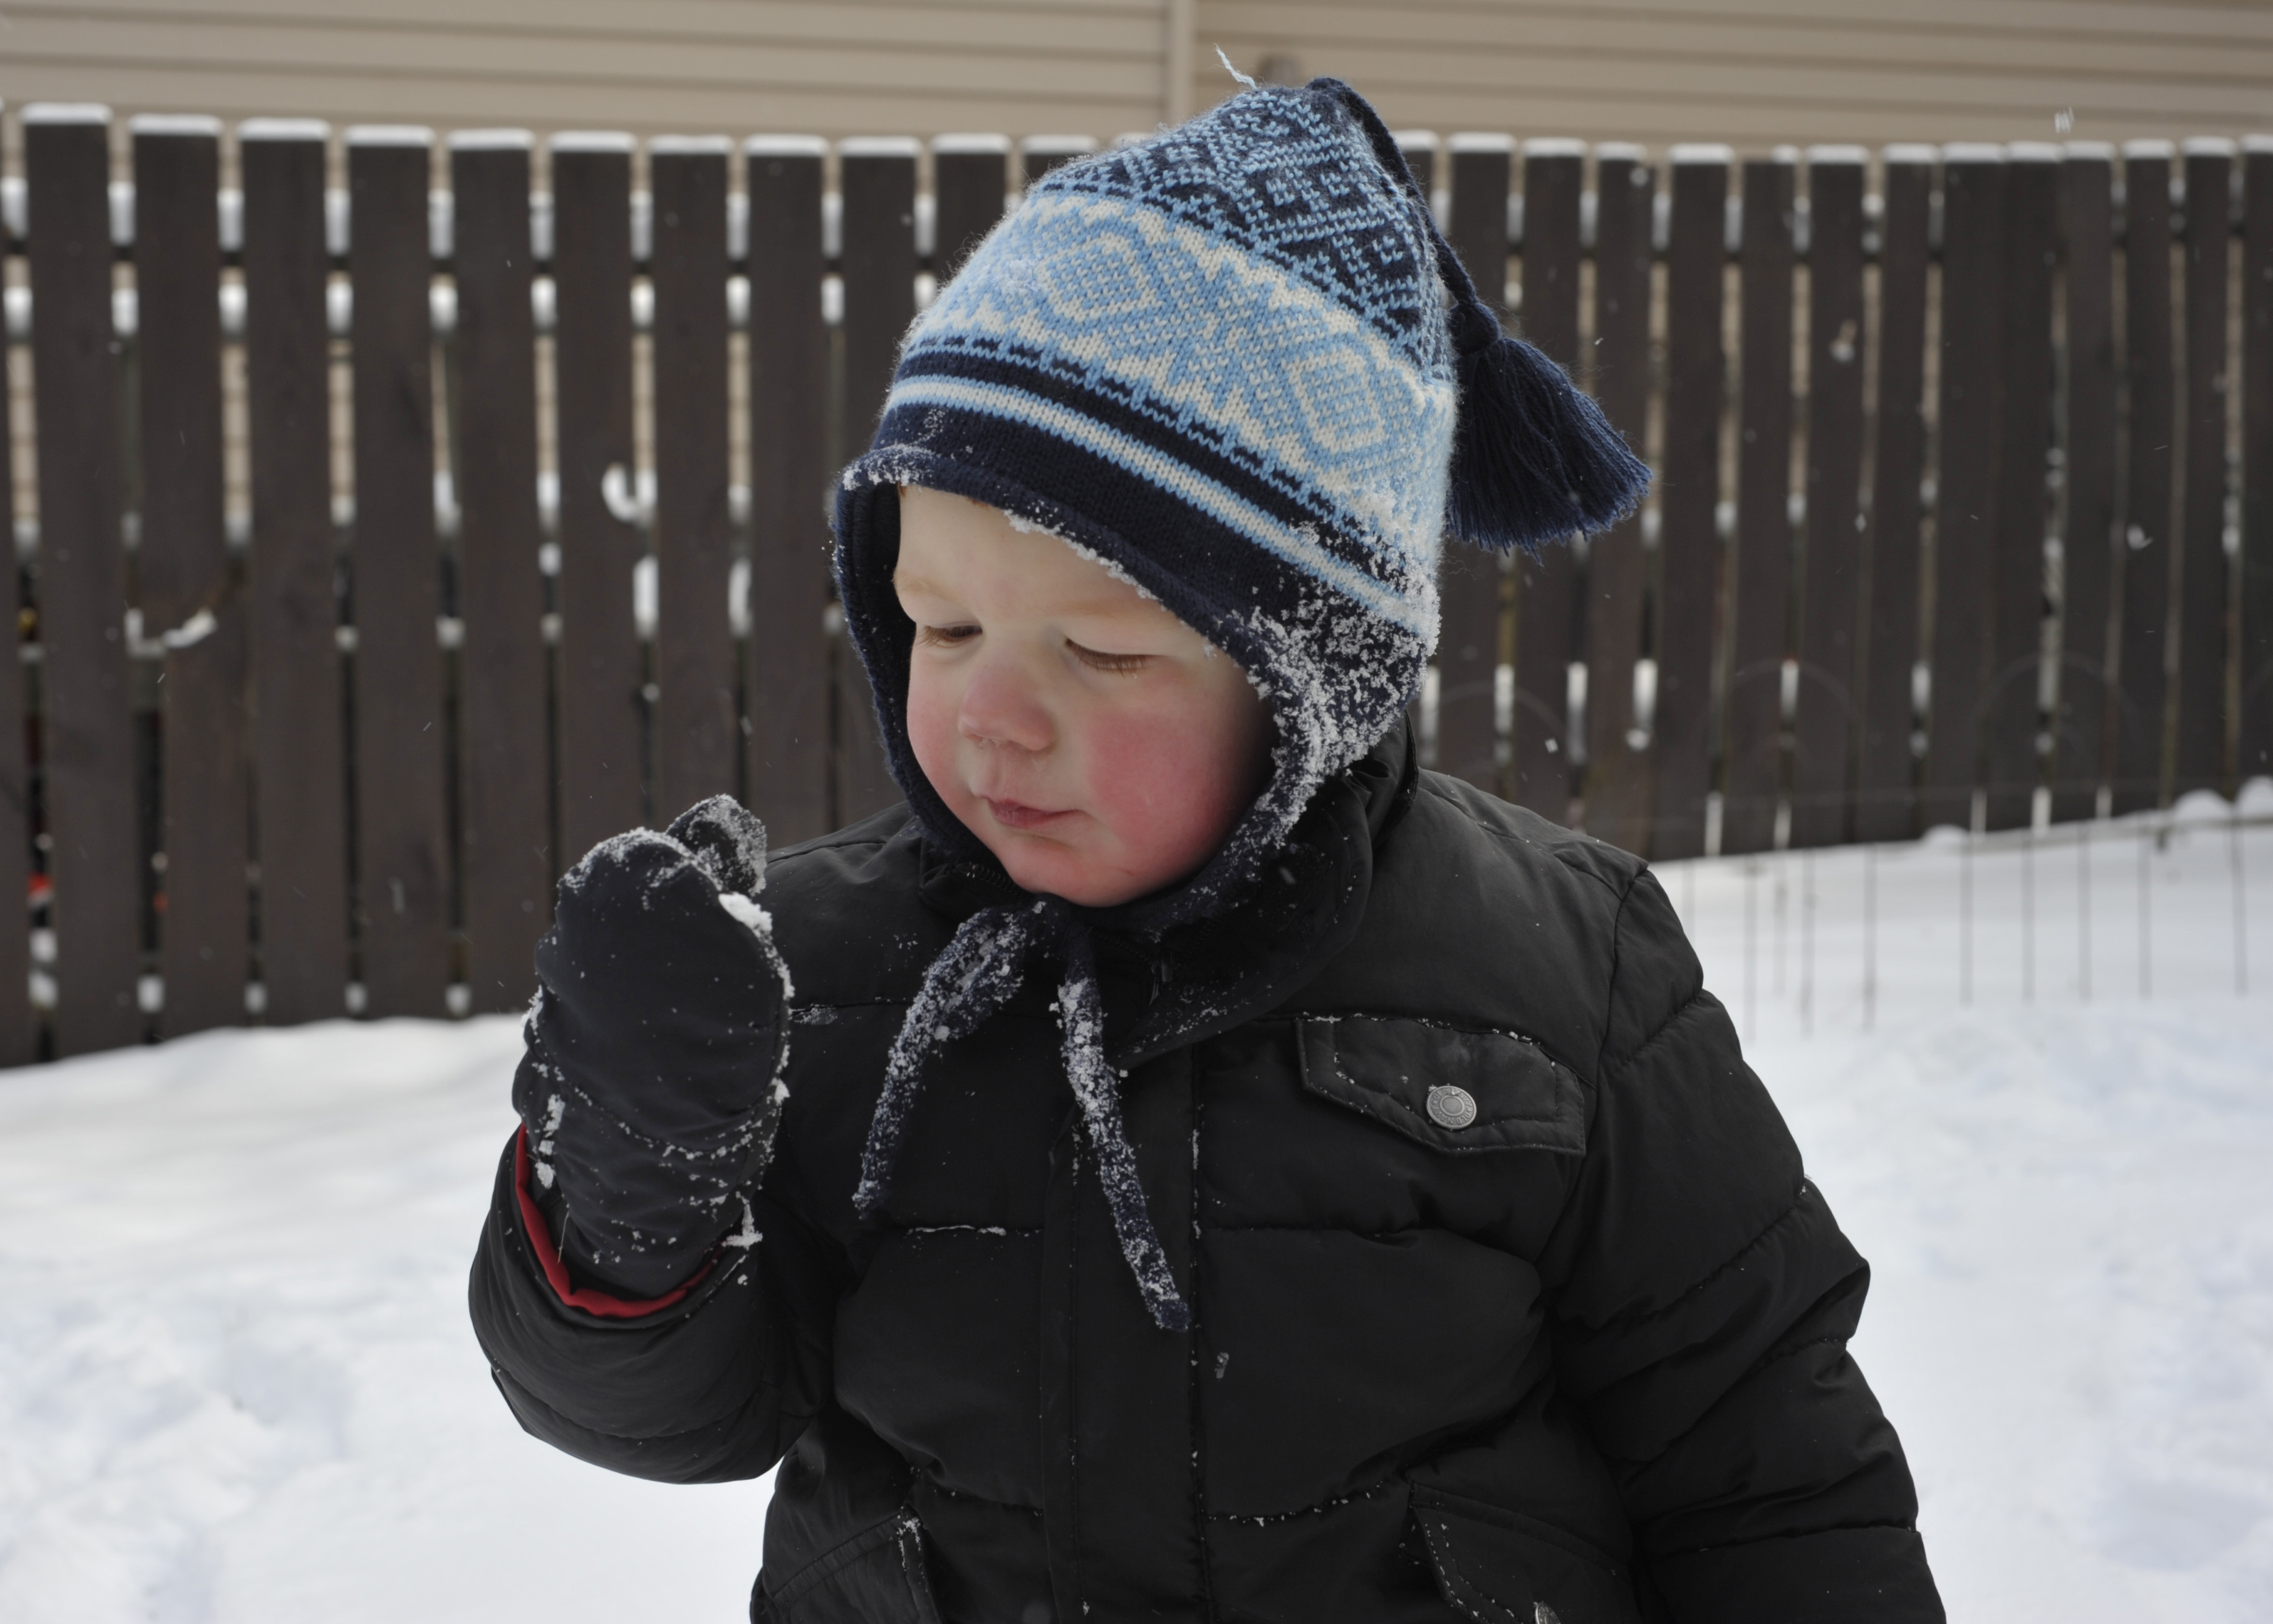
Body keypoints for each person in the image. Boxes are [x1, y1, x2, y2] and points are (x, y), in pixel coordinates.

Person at [470, 77, 1944, 1624]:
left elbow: (1765, 1468)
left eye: (1102, 651)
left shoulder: (1564, 975)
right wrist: (632, 1195)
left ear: (1313, 682)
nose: (990, 718)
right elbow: (679, 1414)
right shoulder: (835, 969)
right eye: (942, 624)